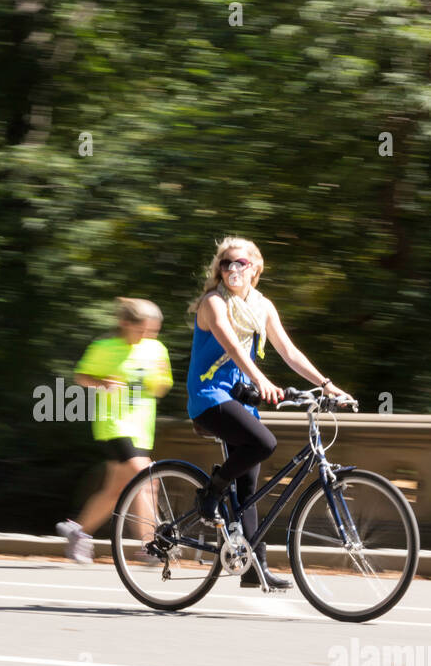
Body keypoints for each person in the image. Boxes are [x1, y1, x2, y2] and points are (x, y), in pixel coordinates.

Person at [187, 236, 351, 589]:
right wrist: (261, 379)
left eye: (240, 263)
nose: (232, 269)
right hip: (209, 397)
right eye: (226, 263)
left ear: (255, 269)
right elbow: (231, 343)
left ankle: (253, 568)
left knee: (249, 490)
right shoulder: (213, 303)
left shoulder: (262, 306)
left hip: (240, 399)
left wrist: (327, 385)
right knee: (263, 442)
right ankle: (211, 491)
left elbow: (289, 352)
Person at [56, 298, 172, 563]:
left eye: (152, 331)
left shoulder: (156, 349)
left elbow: (162, 387)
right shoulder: (104, 348)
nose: (146, 336)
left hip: (141, 426)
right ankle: (149, 544)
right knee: (148, 478)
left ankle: (79, 533)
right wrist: (102, 382)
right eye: (140, 330)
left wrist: (157, 380)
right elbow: (81, 377)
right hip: (113, 424)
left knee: (115, 491)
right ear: (124, 323)